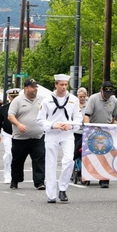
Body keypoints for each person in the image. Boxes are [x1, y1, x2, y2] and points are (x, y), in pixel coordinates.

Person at [38, 75, 80, 204]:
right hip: (52, 133)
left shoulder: (73, 99)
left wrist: (71, 125)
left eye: (66, 85)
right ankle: (51, 194)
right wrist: (52, 125)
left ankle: (62, 188)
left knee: (69, 160)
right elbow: (40, 120)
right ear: (56, 84)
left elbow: (78, 118)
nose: (63, 87)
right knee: (50, 164)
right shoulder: (46, 100)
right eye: (61, 84)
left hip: (67, 134)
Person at [7, 78, 45, 190]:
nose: (35, 89)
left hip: (37, 136)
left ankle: (39, 182)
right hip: (20, 138)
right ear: (26, 88)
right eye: (33, 87)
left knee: (39, 159)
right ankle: (15, 180)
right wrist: (18, 125)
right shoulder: (18, 100)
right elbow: (10, 116)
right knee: (17, 160)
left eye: (36, 87)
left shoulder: (42, 100)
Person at [83, 80, 117, 188]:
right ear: (101, 90)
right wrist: (88, 129)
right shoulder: (93, 99)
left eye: (109, 93)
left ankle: (104, 179)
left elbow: (113, 116)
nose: (107, 96)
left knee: (106, 154)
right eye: (105, 93)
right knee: (91, 154)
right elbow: (87, 115)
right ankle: (88, 175)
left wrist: (111, 127)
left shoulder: (114, 101)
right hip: (94, 128)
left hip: (106, 130)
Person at [0, 90, 16, 184]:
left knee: (17, 156)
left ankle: (16, 175)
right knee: (9, 154)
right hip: (7, 134)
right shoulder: (4, 108)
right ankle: (8, 175)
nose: (14, 99)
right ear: (9, 97)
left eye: (16, 97)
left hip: (20, 134)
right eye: (12, 97)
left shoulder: (22, 107)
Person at [73, 87, 88, 183]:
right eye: (80, 96)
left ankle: (84, 170)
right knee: (75, 152)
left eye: (83, 96)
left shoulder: (88, 105)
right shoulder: (74, 105)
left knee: (84, 152)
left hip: (85, 132)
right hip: (76, 132)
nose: (82, 98)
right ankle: (76, 169)